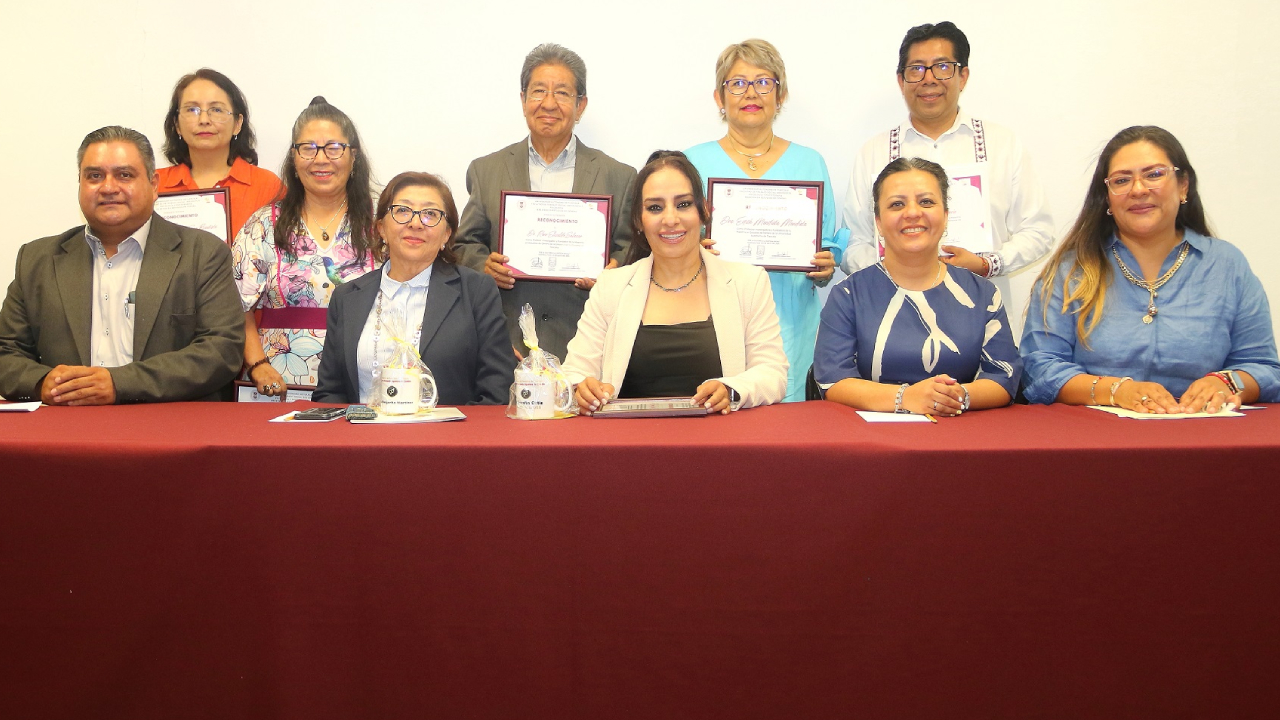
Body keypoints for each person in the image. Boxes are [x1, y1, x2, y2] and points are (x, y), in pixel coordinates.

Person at [1021, 126, 1280, 412]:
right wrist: (1116, 391)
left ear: (1183, 186)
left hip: (1204, 433)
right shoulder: (1073, 270)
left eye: (1154, 174)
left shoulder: (1227, 265)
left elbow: (1264, 368)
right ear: (1107, 198)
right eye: (1121, 180)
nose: (1138, 190)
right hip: (1095, 437)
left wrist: (1226, 383)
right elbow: (1039, 368)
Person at [0, 126, 243, 404]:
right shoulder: (37, 260)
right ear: (80, 184)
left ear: (154, 185)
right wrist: (42, 383)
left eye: (124, 175)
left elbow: (222, 350)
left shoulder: (202, 254)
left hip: (169, 430)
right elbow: (6, 352)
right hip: (65, 429)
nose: (108, 187)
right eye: (94, 176)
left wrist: (119, 383)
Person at [841, 21, 1053, 301]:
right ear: (901, 81)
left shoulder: (1003, 145)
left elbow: (1038, 230)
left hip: (981, 313)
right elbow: (853, 242)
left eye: (942, 66)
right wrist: (894, 272)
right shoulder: (873, 152)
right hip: (892, 312)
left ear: (963, 76)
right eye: (916, 69)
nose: (929, 79)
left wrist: (988, 264)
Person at [563, 151, 788, 414]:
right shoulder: (611, 287)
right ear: (638, 219)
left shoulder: (748, 282)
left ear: (704, 210)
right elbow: (572, 372)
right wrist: (580, 387)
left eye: (683, 204)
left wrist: (732, 389)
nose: (670, 219)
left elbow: (773, 373)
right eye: (655, 207)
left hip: (722, 446)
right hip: (628, 445)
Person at [684, 39, 845, 403]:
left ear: (780, 94)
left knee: (785, 433)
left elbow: (828, 238)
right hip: (712, 314)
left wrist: (826, 263)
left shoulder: (809, 162)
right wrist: (692, 250)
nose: (750, 92)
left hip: (790, 314)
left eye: (763, 82)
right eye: (737, 83)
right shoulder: (691, 162)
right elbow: (672, 238)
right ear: (718, 97)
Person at [454, 43, 637, 361]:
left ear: (581, 106)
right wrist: (483, 265)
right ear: (523, 100)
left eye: (563, 93)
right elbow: (463, 245)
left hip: (589, 341)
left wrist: (615, 271)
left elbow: (630, 249)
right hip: (506, 341)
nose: (549, 103)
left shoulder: (618, 176)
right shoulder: (486, 170)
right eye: (538, 91)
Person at [815, 158, 1021, 415]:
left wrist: (959, 396)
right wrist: (905, 398)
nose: (912, 212)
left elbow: (1005, 375)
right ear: (878, 222)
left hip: (961, 437)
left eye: (926, 202)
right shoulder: (848, 294)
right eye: (897, 204)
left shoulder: (982, 294)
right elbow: (833, 381)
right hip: (873, 444)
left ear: (946, 216)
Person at [313, 172, 513, 405]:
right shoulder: (347, 298)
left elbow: (496, 391)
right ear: (381, 229)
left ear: (446, 235)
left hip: (446, 438)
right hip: (361, 437)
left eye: (430, 214)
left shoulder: (477, 291)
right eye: (402, 211)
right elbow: (329, 393)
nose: (415, 223)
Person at [232, 97, 378, 396]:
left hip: (364, 377)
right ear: (294, 158)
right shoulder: (264, 224)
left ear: (354, 158)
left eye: (334, 148)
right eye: (308, 148)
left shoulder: (380, 226)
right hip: (279, 380)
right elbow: (235, 306)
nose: (320, 159)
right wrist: (257, 363)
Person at [157, 68, 282, 239]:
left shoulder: (267, 187)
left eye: (216, 110)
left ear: (238, 123)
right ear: (176, 124)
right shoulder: (153, 184)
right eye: (192, 110)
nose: (204, 120)